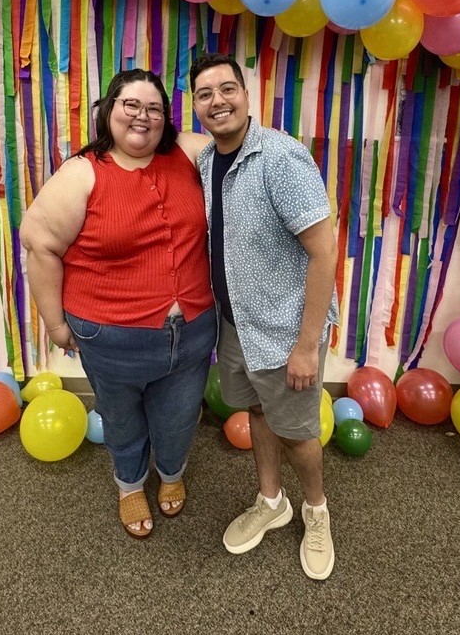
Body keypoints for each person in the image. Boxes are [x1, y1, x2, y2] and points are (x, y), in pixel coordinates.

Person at [20, 69, 215, 539]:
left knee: (179, 419)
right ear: (108, 110)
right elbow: (39, 244)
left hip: (190, 334)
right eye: (130, 104)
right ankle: (130, 485)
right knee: (122, 419)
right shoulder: (83, 173)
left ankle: (170, 474)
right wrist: (55, 325)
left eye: (153, 108)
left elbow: (243, 143)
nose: (142, 116)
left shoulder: (188, 154)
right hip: (110, 338)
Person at [189, 53, 340, 581]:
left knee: (298, 431)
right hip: (238, 324)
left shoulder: (280, 157)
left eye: (226, 89)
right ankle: (271, 501)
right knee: (256, 412)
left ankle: (316, 512)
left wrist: (306, 344)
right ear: (196, 107)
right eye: (205, 94)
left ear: (246, 95)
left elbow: (324, 251)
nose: (217, 101)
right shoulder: (208, 162)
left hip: (285, 330)